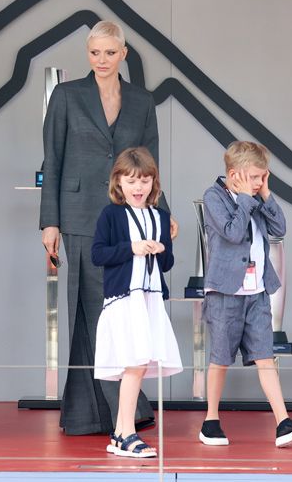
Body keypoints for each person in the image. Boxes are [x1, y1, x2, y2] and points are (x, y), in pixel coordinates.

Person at [40, 20, 177, 435]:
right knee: (89, 312)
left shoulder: (141, 100)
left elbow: (149, 163)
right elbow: (53, 159)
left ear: (124, 54)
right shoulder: (66, 96)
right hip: (79, 216)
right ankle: (95, 415)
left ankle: (125, 411)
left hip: (131, 217)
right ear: (88, 54)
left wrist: (163, 212)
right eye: (94, 52)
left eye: (109, 53)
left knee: (125, 309)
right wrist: (49, 222)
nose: (102, 60)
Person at [199, 141, 292, 448]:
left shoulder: (255, 197)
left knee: (266, 356)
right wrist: (244, 199)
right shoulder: (215, 197)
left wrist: (264, 194)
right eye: (254, 177)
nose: (258, 183)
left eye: (263, 177)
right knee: (221, 358)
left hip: (257, 292)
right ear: (233, 174)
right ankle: (210, 420)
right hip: (225, 291)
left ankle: (283, 422)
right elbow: (233, 233)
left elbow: (280, 226)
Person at [91, 147, 182, 458]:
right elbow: (98, 254)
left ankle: (120, 434)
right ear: (118, 182)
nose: (138, 187)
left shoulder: (161, 216)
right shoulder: (111, 215)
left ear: (153, 182)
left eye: (144, 180)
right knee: (135, 362)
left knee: (139, 364)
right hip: (124, 298)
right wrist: (132, 248)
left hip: (151, 298)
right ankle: (125, 433)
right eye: (131, 181)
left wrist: (160, 248)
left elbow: (167, 263)